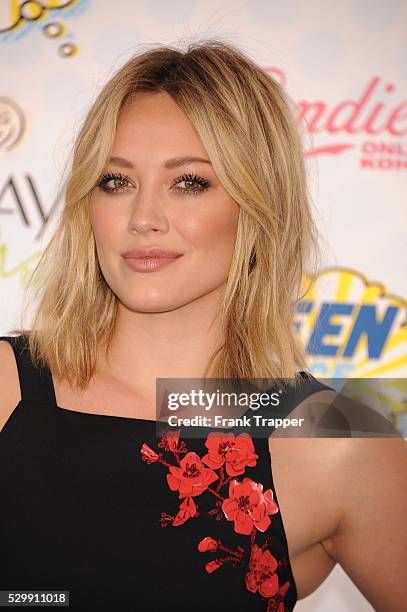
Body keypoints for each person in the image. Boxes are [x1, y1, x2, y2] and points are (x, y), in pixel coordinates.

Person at [0, 39, 406, 612]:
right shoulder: (6, 386)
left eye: (189, 182)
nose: (143, 219)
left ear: (259, 203)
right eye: (116, 181)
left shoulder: (335, 444)